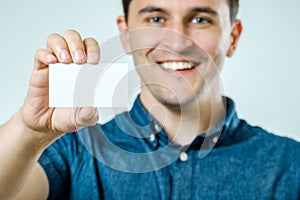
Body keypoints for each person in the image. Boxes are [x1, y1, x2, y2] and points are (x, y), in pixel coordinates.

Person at [0, 0, 299, 199]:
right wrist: (30, 130)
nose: (177, 40)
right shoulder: (74, 152)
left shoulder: (290, 164)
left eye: (200, 19)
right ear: (126, 35)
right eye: (156, 18)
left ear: (232, 37)